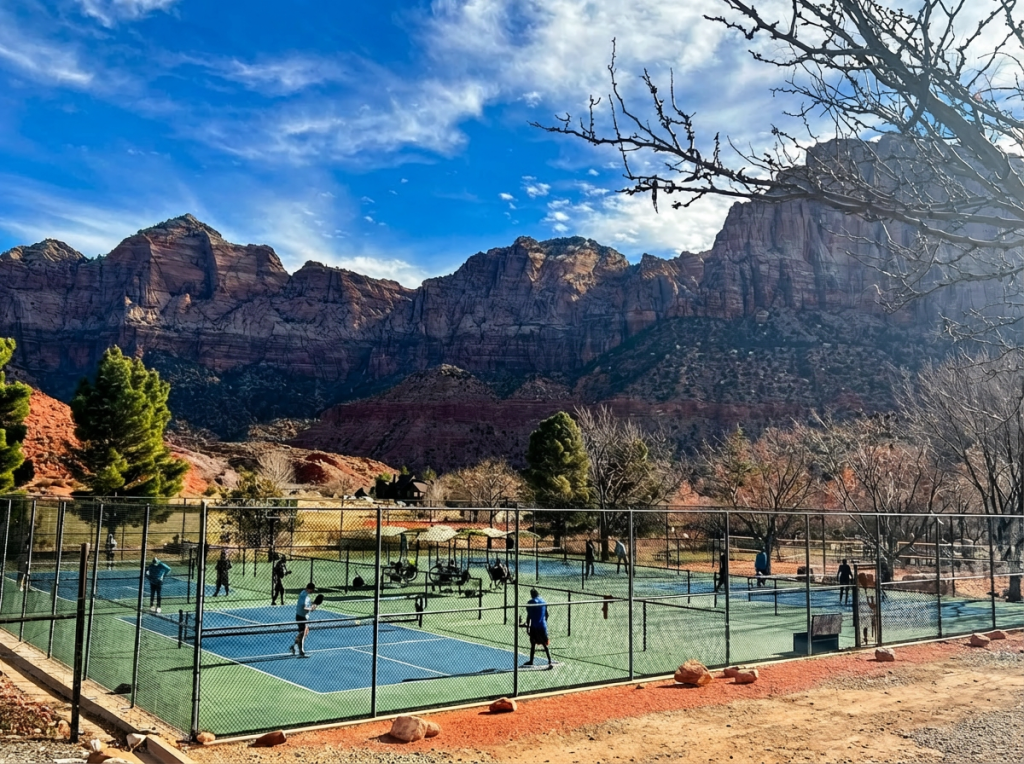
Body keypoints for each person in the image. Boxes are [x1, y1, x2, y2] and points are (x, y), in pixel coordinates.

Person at [523, 588, 553, 669]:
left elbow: (529, 616)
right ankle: (550, 660)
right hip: (542, 626)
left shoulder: (531, 602)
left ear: (532, 595)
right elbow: (547, 614)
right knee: (544, 643)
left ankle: (531, 661)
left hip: (534, 626)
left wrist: (528, 627)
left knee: (532, 643)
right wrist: (544, 622)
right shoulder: (543, 601)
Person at [291, 582, 316, 657]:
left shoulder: (304, 593)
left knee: (305, 632)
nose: (313, 591)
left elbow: (307, 603)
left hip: (303, 616)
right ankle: (301, 652)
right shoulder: (304, 596)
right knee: (303, 633)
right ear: (309, 589)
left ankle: (294, 646)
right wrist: (311, 609)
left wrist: (313, 604)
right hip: (301, 617)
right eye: (312, 590)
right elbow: (304, 607)